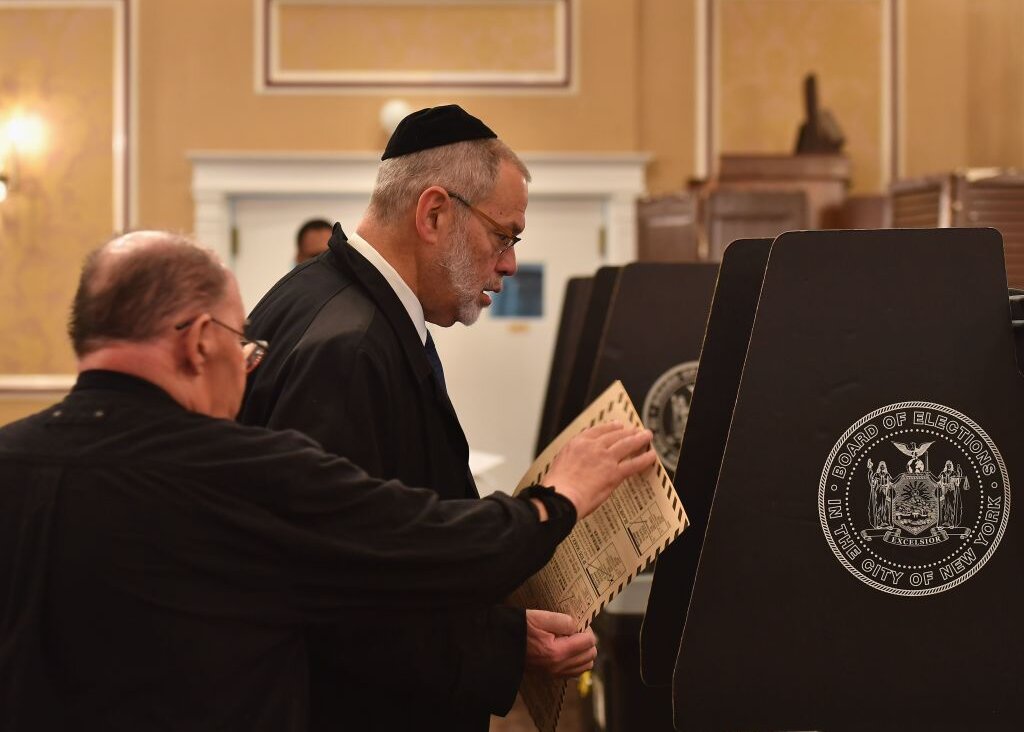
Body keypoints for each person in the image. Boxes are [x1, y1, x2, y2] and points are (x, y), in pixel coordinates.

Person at [0, 231, 655, 731]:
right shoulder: (242, 470)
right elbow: (433, 544)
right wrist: (558, 498)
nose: (250, 366)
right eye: (244, 345)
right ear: (200, 341)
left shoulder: (11, 458)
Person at [239, 105, 584, 730]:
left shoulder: (323, 296)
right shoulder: (349, 346)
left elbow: (384, 547)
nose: (508, 263)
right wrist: (505, 646)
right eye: (504, 235)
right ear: (433, 213)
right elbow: (340, 601)